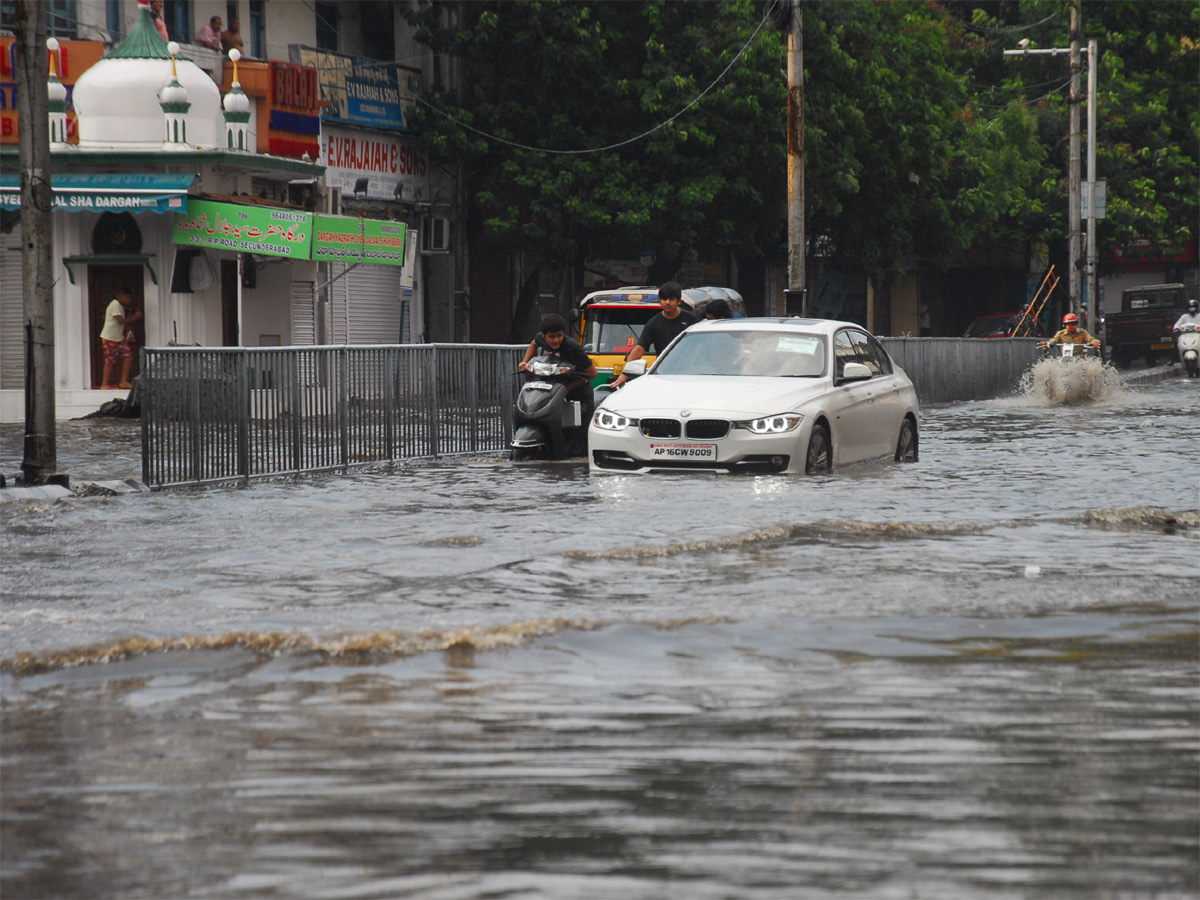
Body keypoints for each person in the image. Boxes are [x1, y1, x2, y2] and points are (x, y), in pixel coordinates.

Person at [519, 313, 598, 453]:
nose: (556, 340)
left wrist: (567, 388)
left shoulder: (573, 347)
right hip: (552, 388)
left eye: (559, 335)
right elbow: (533, 344)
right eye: (552, 337)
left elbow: (592, 374)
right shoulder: (539, 338)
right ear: (544, 336)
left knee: (584, 435)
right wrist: (525, 362)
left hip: (579, 392)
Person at [610, 281, 699, 387]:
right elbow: (639, 348)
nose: (667, 302)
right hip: (663, 373)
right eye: (664, 299)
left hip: (690, 373)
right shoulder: (653, 323)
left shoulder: (692, 320)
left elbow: (704, 346)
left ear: (678, 301)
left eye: (671, 299)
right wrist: (624, 374)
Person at [99, 287, 142, 390]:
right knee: (109, 361)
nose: (129, 301)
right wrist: (135, 317)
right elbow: (120, 321)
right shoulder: (115, 304)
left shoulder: (119, 306)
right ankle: (104, 384)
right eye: (128, 298)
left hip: (118, 338)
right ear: (122, 297)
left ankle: (123, 381)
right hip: (110, 337)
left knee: (128, 356)